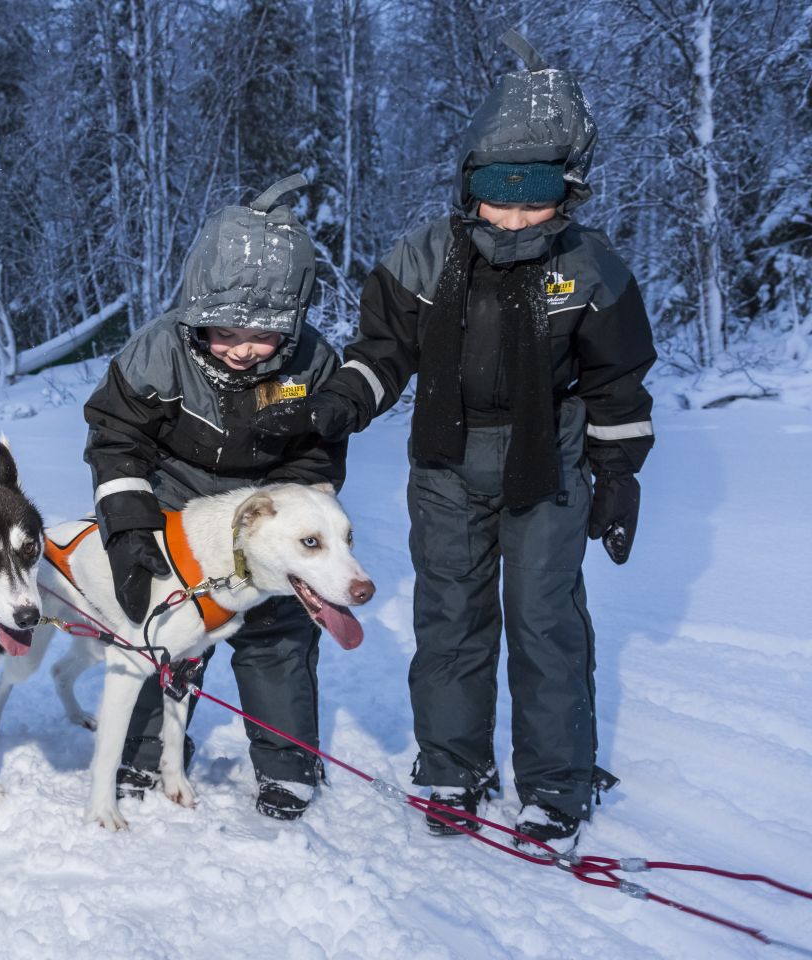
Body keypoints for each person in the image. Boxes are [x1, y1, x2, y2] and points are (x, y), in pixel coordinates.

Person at [288, 33, 655, 853]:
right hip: (447, 462)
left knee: (543, 619)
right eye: (500, 200)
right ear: (469, 189)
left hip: (548, 460)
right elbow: (384, 353)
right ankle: (454, 766)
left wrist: (619, 475)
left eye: (536, 203)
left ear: (566, 197)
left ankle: (557, 783)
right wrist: (344, 399)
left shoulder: (589, 267)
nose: (516, 219)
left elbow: (616, 383)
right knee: (450, 616)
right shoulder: (422, 258)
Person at [83, 175, 349, 821]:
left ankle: (287, 763)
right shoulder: (158, 350)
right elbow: (117, 439)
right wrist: (128, 527)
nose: (241, 350)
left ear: (293, 323)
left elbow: (319, 454)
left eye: (261, 337)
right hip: (176, 495)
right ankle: (146, 752)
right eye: (224, 333)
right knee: (160, 623)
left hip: (269, 501)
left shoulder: (312, 364)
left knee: (276, 632)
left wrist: (296, 509)